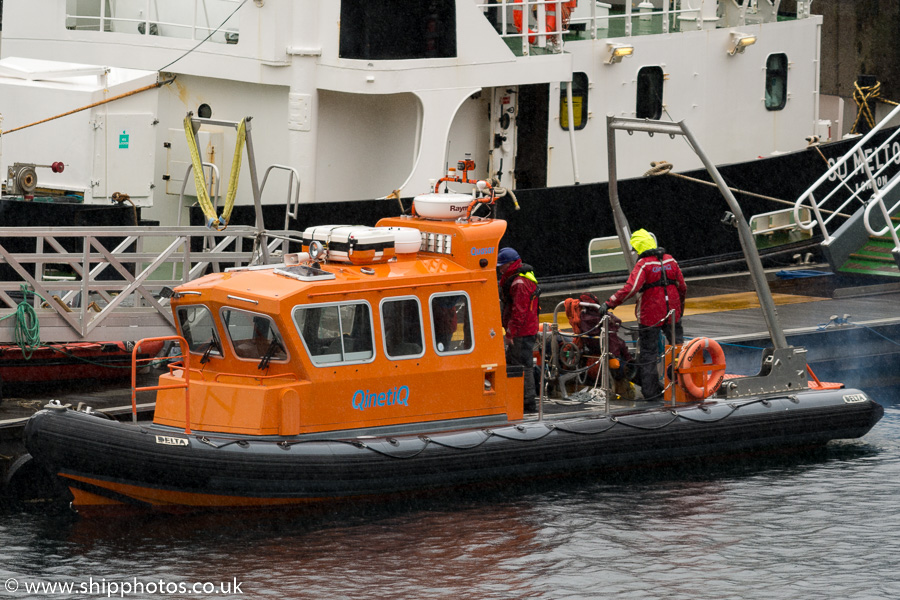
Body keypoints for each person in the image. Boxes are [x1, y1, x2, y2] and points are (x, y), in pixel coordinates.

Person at [601, 229, 686, 401]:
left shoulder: (644, 265)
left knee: (649, 354)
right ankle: (683, 385)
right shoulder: (671, 260)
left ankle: (651, 392)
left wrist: (609, 303)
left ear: (639, 247)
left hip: (650, 316)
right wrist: (679, 309)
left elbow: (630, 289)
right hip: (672, 314)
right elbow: (682, 287)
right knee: (680, 350)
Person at [497, 247, 540, 411]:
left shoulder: (518, 283)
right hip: (527, 328)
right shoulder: (521, 278)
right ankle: (524, 399)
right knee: (522, 363)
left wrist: (510, 333)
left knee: (522, 365)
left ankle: (527, 402)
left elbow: (519, 312)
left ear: (510, 264)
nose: (500, 269)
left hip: (522, 332)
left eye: (502, 266)